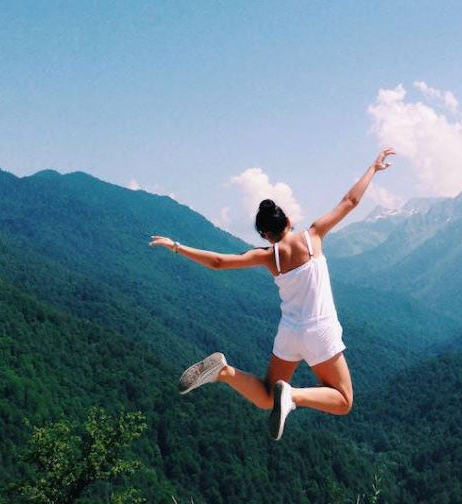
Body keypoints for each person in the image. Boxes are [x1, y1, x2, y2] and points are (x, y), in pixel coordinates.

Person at [148, 148, 395, 440]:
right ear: (288, 219)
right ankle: (293, 396)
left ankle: (225, 371)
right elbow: (350, 201)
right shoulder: (313, 236)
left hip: (289, 333)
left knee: (266, 396)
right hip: (320, 330)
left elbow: (218, 262)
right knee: (343, 401)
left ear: (265, 235)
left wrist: (177, 246)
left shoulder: (268, 256)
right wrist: (373, 168)